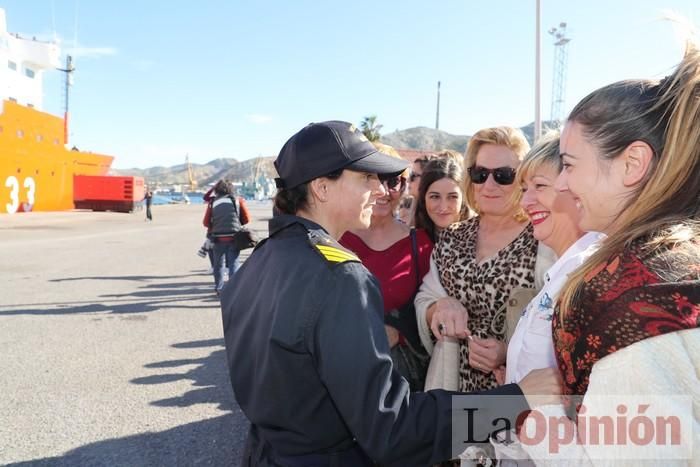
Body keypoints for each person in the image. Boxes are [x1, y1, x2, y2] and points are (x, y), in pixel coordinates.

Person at [220, 120, 562, 467]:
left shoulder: (258, 261)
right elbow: (394, 430)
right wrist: (516, 400)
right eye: (365, 178)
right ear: (322, 188)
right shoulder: (340, 277)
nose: (381, 190)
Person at [519, 31, 700, 465]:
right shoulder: (670, 261)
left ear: (632, 164)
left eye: (568, 164)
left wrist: (534, 419)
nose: (562, 183)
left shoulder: (632, 295)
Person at [487, 133, 605, 464]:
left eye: (539, 186)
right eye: (524, 189)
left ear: (575, 187)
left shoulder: (588, 275)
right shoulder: (562, 271)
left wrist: (521, 409)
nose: (525, 202)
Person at [340, 144, 433, 391]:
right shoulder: (334, 239)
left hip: (397, 379)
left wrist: (398, 333)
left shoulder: (421, 244)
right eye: (373, 179)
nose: (383, 190)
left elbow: (429, 306)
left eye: (393, 181)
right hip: (340, 372)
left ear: (403, 187)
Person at [202, 179, 250, 295]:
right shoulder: (238, 200)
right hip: (234, 238)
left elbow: (206, 223)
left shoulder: (213, 202)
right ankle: (234, 289)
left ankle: (219, 288)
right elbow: (247, 219)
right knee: (234, 263)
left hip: (218, 239)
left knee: (218, 265)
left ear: (217, 190)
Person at [414, 156, 467, 243]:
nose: (443, 207)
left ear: (463, 198)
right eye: (435, 197)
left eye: (452, 197)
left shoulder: (480, 242)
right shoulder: (411, 243)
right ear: (423, 198)